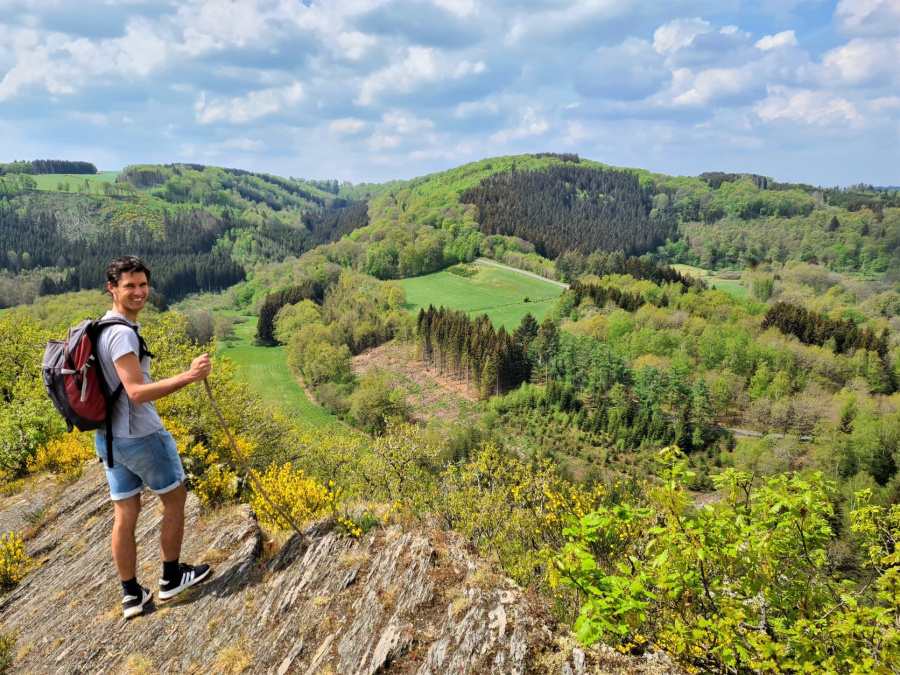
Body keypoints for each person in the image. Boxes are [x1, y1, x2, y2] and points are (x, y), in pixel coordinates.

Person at [96, 255, 212, 619]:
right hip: (141, 436)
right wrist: (188, 376)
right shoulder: (121, 334)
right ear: (112, 288)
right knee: (175, 499)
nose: (138, 292)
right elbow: (136, 392)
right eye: (129, 285)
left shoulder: (100, 328)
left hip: (110, 439)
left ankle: (131, 595)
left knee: (125, 512)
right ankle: (171, 577)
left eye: (142, 284)